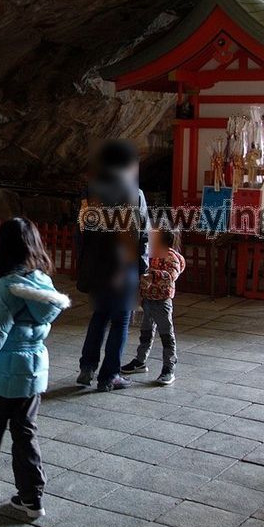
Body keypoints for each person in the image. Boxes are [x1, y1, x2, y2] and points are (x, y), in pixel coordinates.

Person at [0, 217, 71, 520]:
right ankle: (31, 497)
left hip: (1, 377)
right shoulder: (44, 284)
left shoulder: (5, 288)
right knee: (25, 433)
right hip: (32, 374)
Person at [75, 139, 149, 392]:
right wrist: (142, 268)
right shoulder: (134, 193)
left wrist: (84, 263)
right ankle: (110, 375)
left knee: (99, 316)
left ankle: (87, 367)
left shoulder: (90, 192)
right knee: (120, 320)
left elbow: (83, 231)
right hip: (122, 269)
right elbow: (140, 235)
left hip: (96, 265)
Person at [121, 226, 185, 384]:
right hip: (147, 301)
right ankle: (140, 361)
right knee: (146, 334)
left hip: (162, 302)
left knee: (166, 335)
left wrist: (153, 275)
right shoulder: (150, 254)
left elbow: (171, 276)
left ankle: (169, 368)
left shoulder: (171, 257)